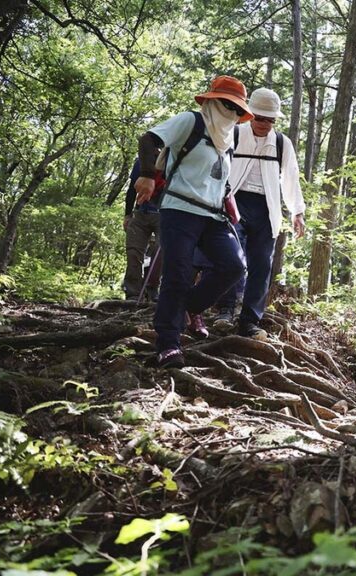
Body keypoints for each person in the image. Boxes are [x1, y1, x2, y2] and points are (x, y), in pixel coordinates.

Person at [133, 75, 253, 368]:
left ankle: (188, 308)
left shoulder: (228, 139)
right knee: (178, 274)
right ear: (213, 102)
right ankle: (168, 345)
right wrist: (147, 175)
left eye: (238, 110)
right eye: (228, 105)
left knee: (234, 266)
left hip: (213, 215)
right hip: (179, 209)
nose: (233, 114)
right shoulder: (190, 121)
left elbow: (217, 177)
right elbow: (148, 139)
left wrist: (227, 199)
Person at [203, 87, 306, 339]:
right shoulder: (235, 134)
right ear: (250, 115)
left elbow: (291, 177)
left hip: (267, 208)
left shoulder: (282, 143)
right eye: (260, 118)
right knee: (232, 258)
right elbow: (213, 164)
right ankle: (224, 311)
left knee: (262, 264)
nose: (265, 124)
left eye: (271, 119)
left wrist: (297, 212)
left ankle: (249, 320)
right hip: (233, 202)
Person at [121, 158, 161, 302]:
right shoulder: (141, 161)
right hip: (140, 212)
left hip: (164, 213)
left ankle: (152, 289)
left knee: (159, 251)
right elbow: (132, 188)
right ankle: (133, 293)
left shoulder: (174, 158)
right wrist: (127, 214)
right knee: (133, 252)